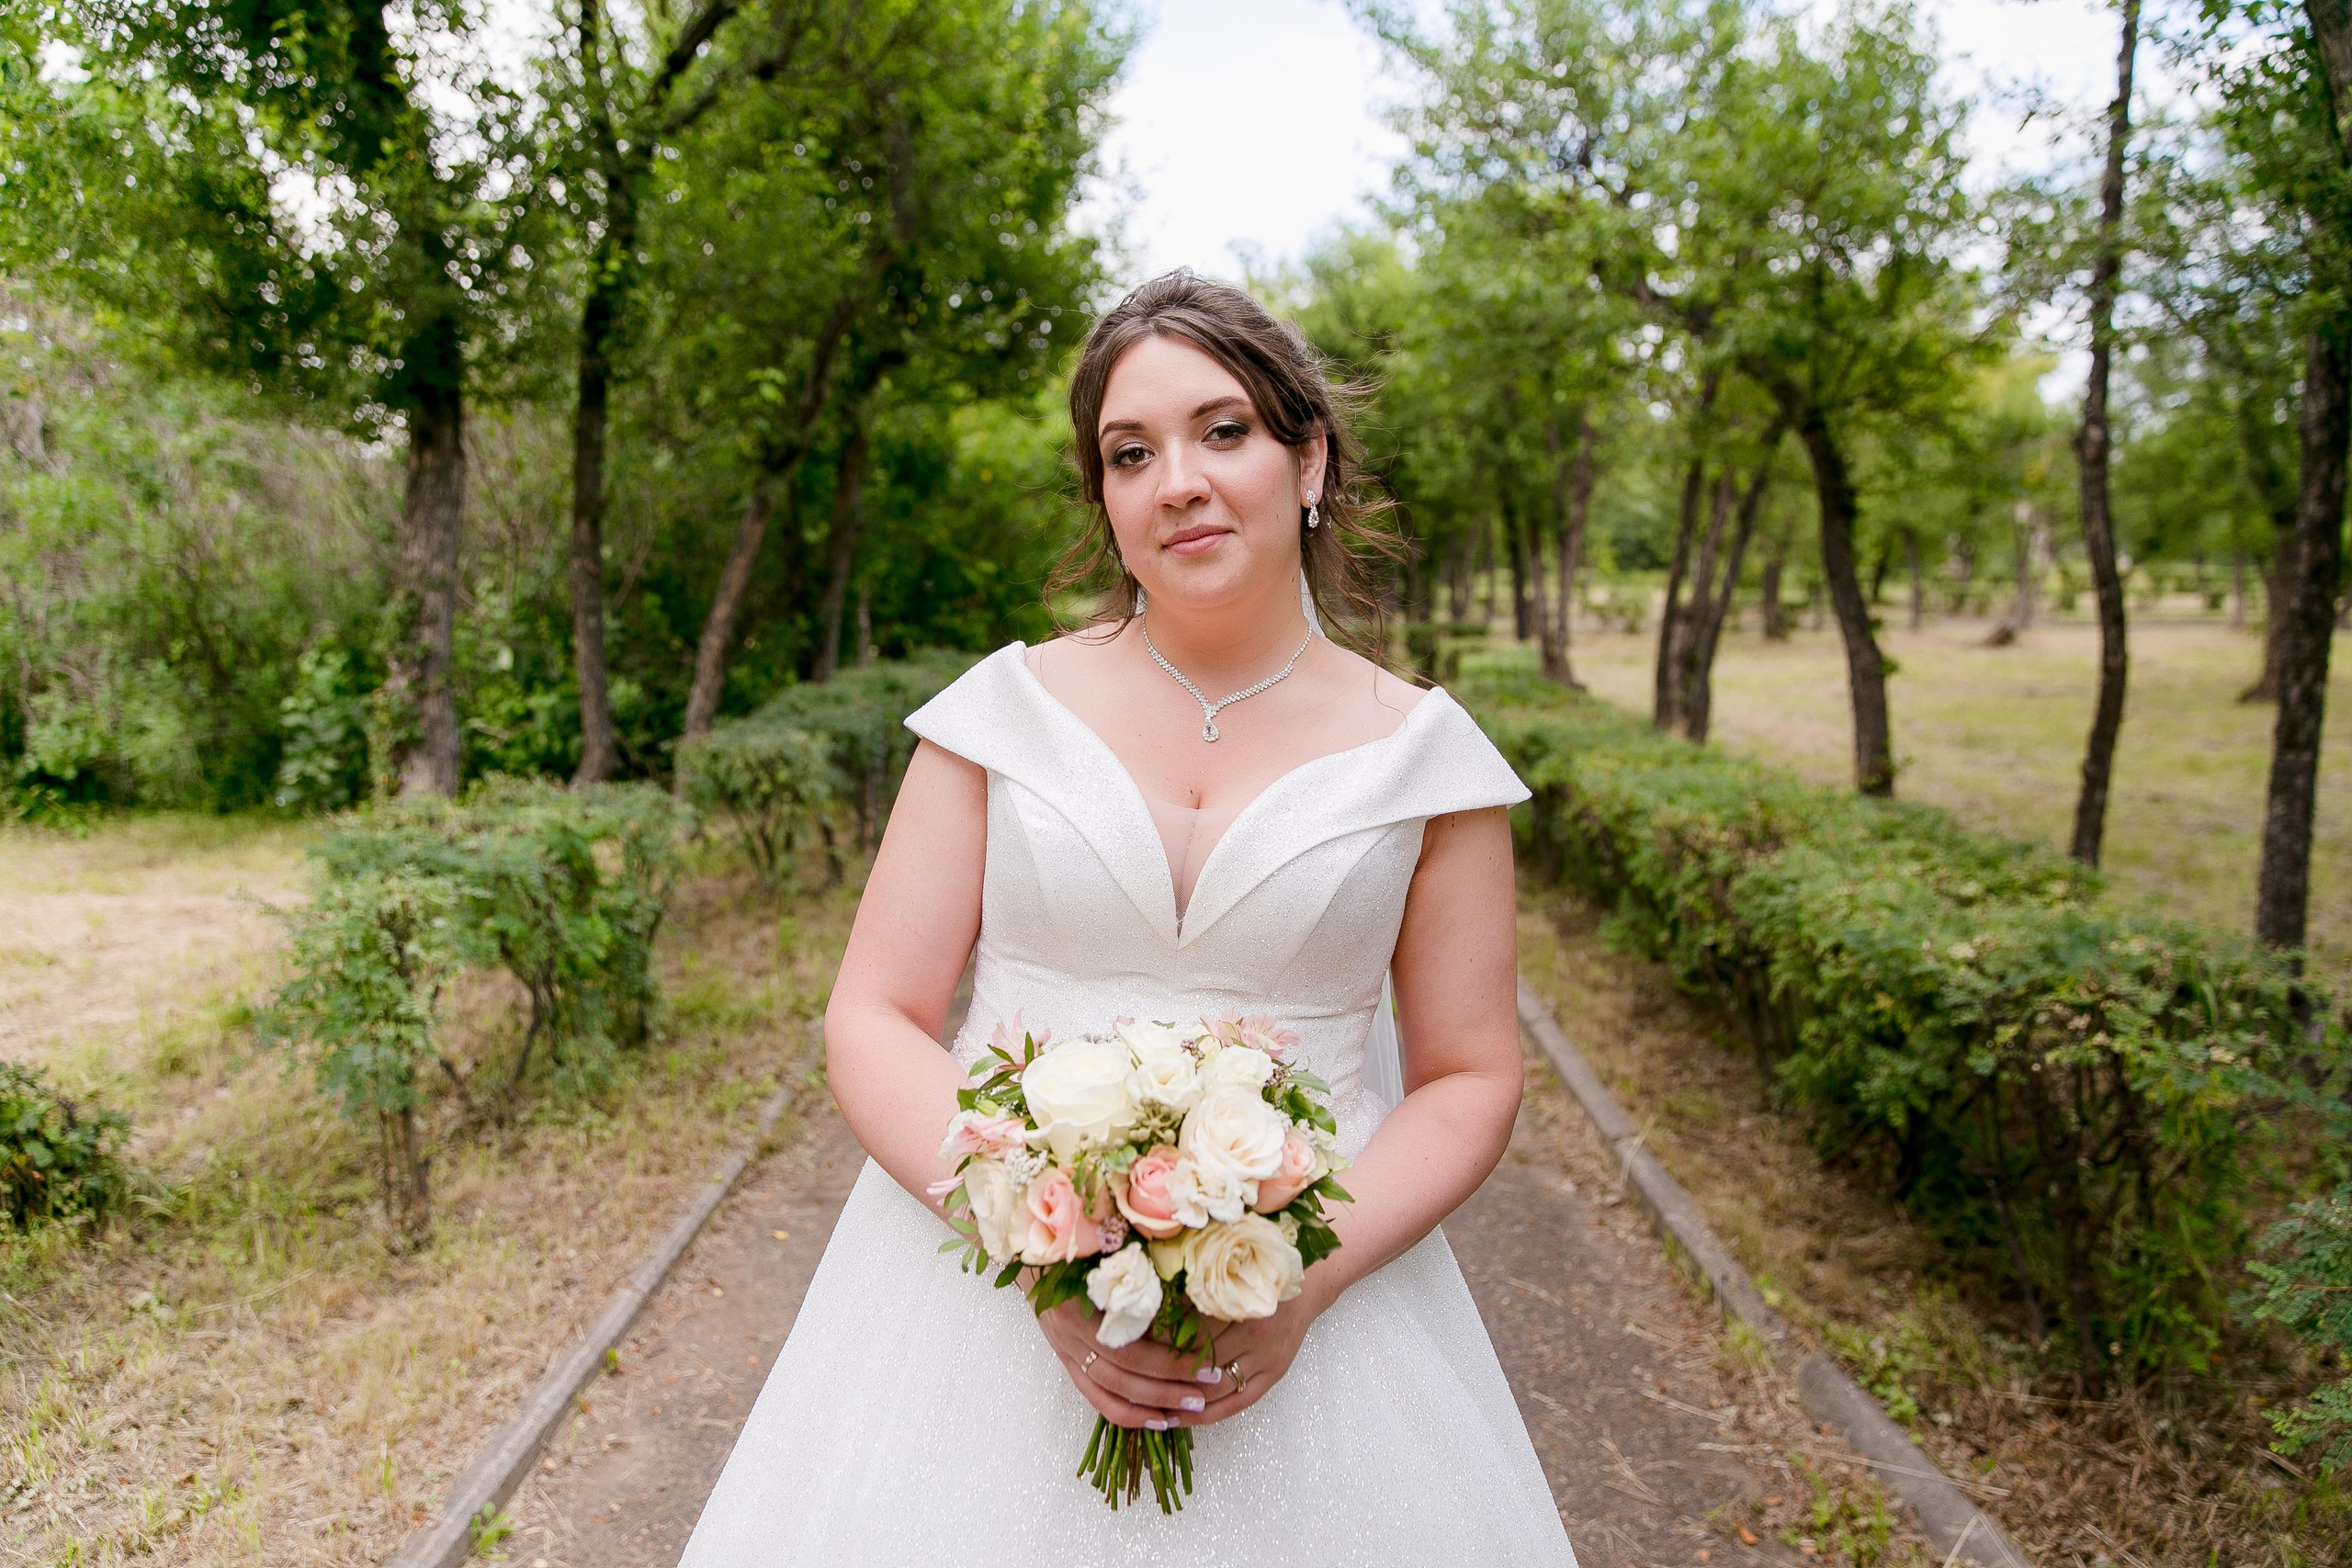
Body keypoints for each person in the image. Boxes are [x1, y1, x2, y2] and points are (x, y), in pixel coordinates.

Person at [678, 271, 1577, 1564]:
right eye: (1130, 452)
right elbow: (872, 1014)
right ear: (1103, 496)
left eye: (1225, 432)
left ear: (1309, 459)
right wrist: (1035, 1254)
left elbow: (1470, 1076)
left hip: (1308, 1312)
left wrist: (1300, 1278)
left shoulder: (1425, 761)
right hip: (975, 1299)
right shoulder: (1001, 716)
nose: (1178, 483)